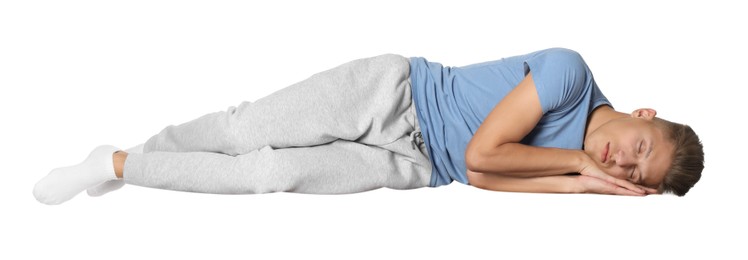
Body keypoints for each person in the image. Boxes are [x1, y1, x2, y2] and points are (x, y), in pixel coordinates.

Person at [32, 48, 704, 205]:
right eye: (637, 149)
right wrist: (575, 170)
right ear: (644, 113)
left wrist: (574, 185)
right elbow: (484, 149)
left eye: (629, 173)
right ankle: (128, 159)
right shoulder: (569, 75)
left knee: (271, 175)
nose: (618, 161)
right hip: (395, 97)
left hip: (415, 167)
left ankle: (118, 166)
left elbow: (473, 175)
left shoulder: (579, 171)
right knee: (242, 133)